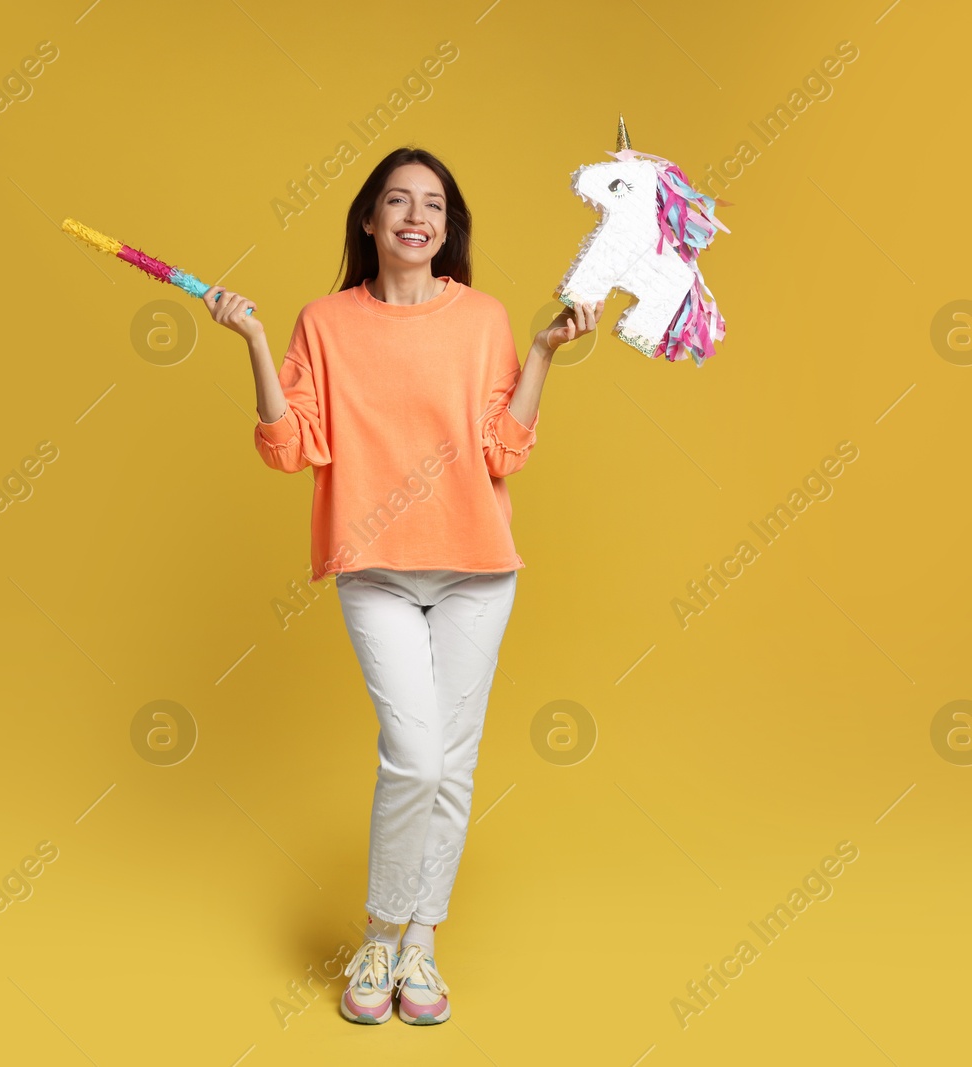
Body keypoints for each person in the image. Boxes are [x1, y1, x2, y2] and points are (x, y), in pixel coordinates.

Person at [205, 146, 601, 1026]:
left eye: (433, 204)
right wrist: (259, 342)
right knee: (415, 755)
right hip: (375, 570)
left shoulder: (487, 318)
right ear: (371, 223)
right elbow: (290, 448)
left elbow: (503, 451)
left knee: (451, 766)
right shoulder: (324, 322)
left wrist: (540, 351)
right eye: (397, 201)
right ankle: (380, 930)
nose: (416, 216)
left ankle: (420, 941)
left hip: (477, 571)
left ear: (447, 228)